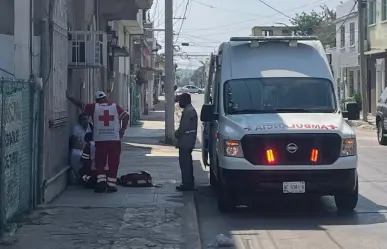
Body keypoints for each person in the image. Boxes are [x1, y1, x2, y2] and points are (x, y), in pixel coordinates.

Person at [66, 90, 129, 193]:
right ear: (106, 98)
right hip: (114, 140)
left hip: (100, 140)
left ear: (96, 100)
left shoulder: (94, 107)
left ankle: (101, 184)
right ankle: (111, 185)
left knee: (100, 161)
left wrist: (70, 97)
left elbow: (81, 105)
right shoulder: (115, 107)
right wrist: (122, 130)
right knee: (113, 162)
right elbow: (126, 117)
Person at [174, 93, 198, 191]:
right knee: (186, 162)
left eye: (181, 101)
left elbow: (183, 127)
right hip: (188, 141)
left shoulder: (189, 111)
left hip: (186, 141)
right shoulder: (189, 110)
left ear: (186, 100)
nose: (179, 103)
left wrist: (177, 133)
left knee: (185, 163)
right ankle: (188, 182)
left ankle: (187, 183)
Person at [70, 113, 93, 177]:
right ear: (79, 121)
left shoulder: (91, 126)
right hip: (83, 152)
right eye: (84, 119)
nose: (86, 121)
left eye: (87, 119)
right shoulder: (76, 129)